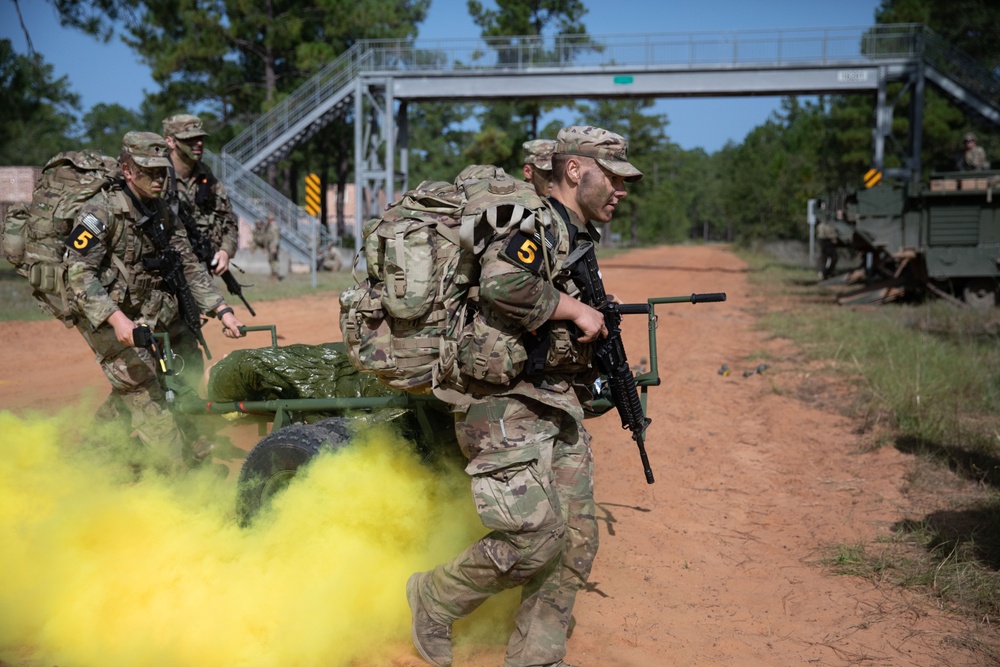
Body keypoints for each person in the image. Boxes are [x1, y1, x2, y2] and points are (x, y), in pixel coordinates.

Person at [406, 126, 642, 667]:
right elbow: (503, 284)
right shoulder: (533, 221)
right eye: (613, 177)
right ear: (576, 170)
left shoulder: (575, 232)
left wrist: (589, 304)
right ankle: (433, 598)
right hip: (502, 403)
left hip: (553, 400)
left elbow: (548, 292)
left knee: (576, 539)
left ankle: (536, 655)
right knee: (533, 538)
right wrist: (575, 309)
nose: (621, 190)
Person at [64, 131, 245, 473]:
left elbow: (189, 264)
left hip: (148, 313)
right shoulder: (99, 212)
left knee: (171, 373)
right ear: (128, 170)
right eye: (150, 172)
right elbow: (77, 273)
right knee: (146, 391)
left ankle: (89, 455)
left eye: (163, 172)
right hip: (104, 314)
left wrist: (222, 310)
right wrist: (116, 320)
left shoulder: (162, 210)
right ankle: (180, 477)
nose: (159, 179)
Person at [161, 113, 242, 384]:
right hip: (165, 278)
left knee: (186, 349)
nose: (198, 144)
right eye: (189, 139)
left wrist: (225, 251)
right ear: (170, 141)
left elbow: (230, 223)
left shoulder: (209, 178)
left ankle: (182, 413)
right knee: (161, 354)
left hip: (198, 276)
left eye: (200, 139)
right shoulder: (156, 178)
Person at [252, 214, 282, 279]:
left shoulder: (274, 227)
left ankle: (275, 273)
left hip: (273, 246)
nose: (266, 220)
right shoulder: (269, 226)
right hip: (270, 246)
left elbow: (276, 238)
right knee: (271, 260)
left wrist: (274, 247)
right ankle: (274, 273)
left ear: (271, 219)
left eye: (267, 219)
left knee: (273, 260)